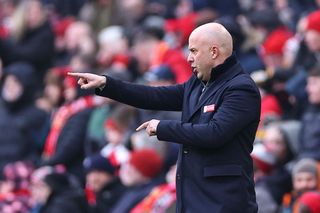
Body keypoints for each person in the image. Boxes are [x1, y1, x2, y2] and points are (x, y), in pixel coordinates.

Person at [68, 22, 261, 212]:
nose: (188, 58)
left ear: (213, 52)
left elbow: (215, 133)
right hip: (194, 199)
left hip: (224, 201)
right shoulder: (198, 83)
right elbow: (154, 96)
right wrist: (106, 84)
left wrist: (163, 128)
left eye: (194, 51)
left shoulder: (240, 88)